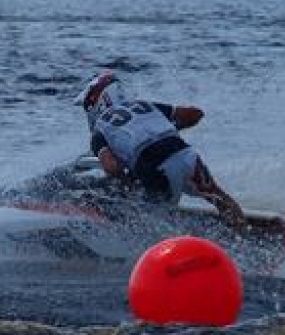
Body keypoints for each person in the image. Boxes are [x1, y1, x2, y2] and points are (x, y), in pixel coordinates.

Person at [74, 72, 246, 227]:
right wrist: (161, 128)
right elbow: (195, 114)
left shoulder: (99, 131)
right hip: (186, 155)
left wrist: (126, 186)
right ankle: (244, 234)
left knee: (154, 217)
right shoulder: (145, 105)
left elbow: (112, 167)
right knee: (218, 197)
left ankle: (166, 244)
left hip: (154, 167)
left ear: (99, 101)